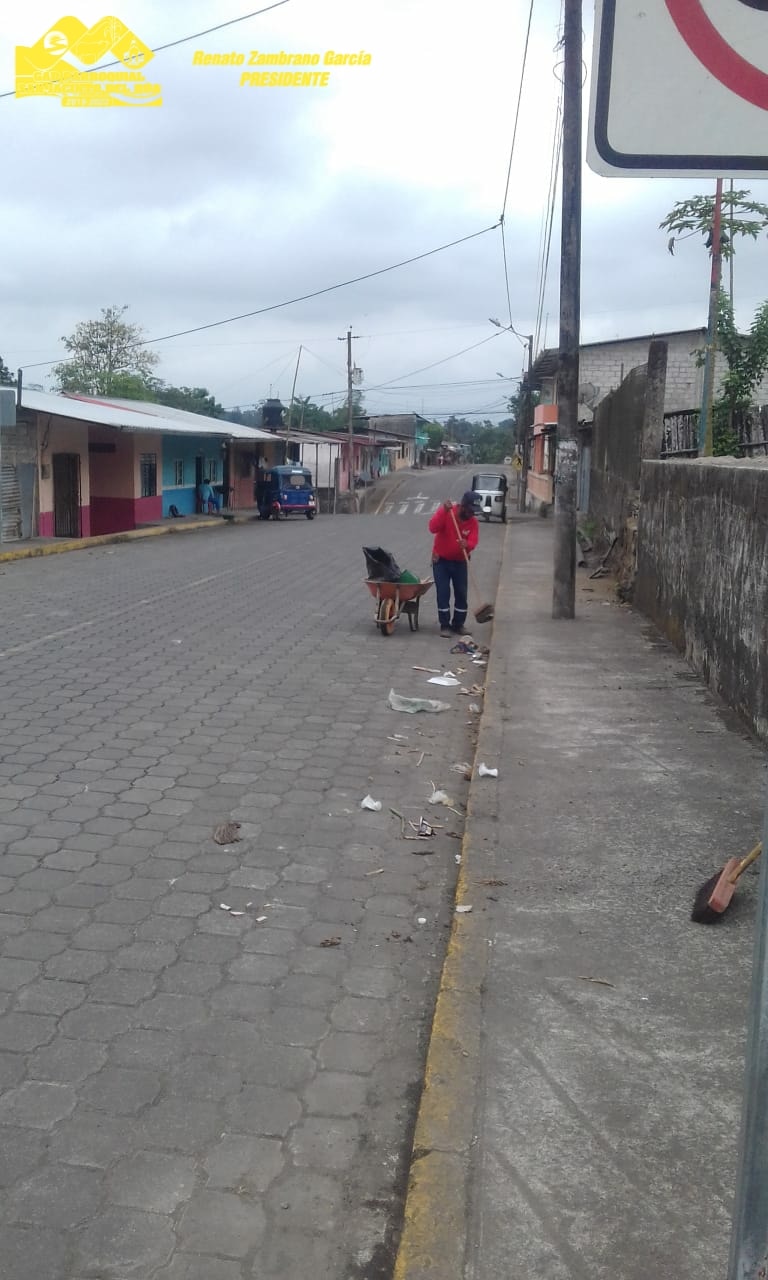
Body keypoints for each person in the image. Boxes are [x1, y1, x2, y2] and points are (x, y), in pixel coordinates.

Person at [428, 490, 480, 637]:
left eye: (474, 512)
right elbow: (432, 528)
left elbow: (474, 540)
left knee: (461, 593)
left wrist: (467, 544)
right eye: (470, 511)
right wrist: (443, 511)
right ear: (463, 506)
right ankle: (445, 625)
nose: (472, 514)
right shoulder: (448, 513)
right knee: (443, 592)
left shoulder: (473, 522)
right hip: (441, 561)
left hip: (460, 562)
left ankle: (459, 624)